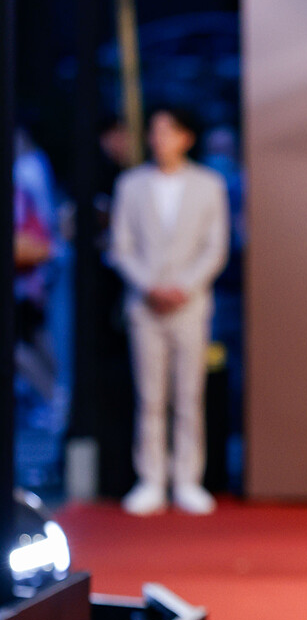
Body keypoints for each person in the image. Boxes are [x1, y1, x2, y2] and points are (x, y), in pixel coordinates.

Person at [109, 104, 229, 515]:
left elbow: (215, 247)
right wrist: (149, 286)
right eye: (155, 131)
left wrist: (184, 286)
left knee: (189, 395)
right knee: (150, 396)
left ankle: (187, 480)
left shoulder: (208, 184)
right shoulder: (130, 185)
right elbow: (121, 247)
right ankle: (151, 480)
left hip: (190, 305)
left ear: (185, 138)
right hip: (145, 305)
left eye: (168, 131)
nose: (159, 139)